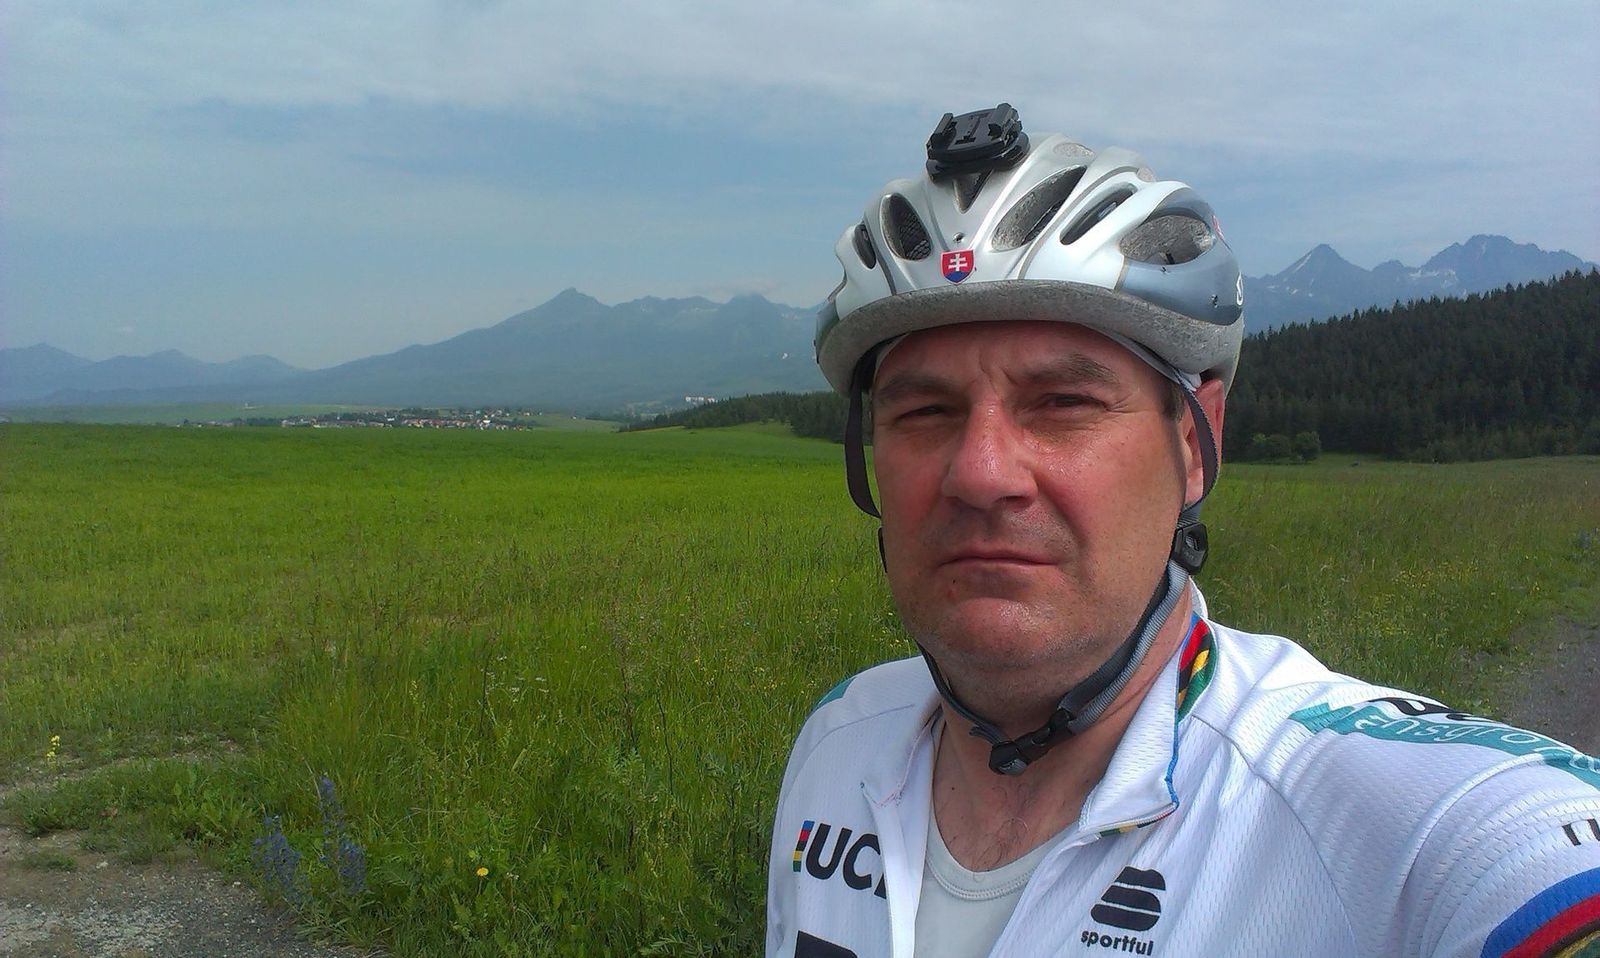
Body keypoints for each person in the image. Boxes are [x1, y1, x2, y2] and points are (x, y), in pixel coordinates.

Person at [765, 104, 1600, 958]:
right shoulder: (838, 743)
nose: (980, 474)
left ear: (1197, 447)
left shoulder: (1382, 817)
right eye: (924, 412)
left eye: (1064, 402)